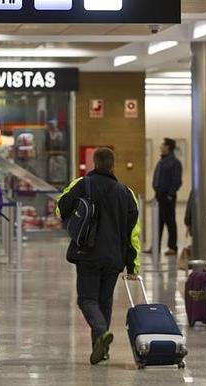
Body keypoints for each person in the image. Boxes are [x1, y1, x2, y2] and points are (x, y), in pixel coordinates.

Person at [56, 147, 140, 365]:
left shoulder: (83, 184)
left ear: (94, 163)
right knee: (105, 302)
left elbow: (60, 207)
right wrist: (133, 265)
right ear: (113, 165)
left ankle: (101, 333)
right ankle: (100, 349)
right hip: (115, 258)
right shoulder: (126, 192)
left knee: (86, 299)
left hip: (88, 253)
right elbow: (134, 234)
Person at [149, 138, 182, 256]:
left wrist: (169, 195)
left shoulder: (174, 162)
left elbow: (177, 181)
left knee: (170, 221)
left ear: (168, 147)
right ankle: (155, 246)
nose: (160, 146)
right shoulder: (161, 161)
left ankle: (172, 247)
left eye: (163, 144)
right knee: (157, 221)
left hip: (167, 196)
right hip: (158, 195)